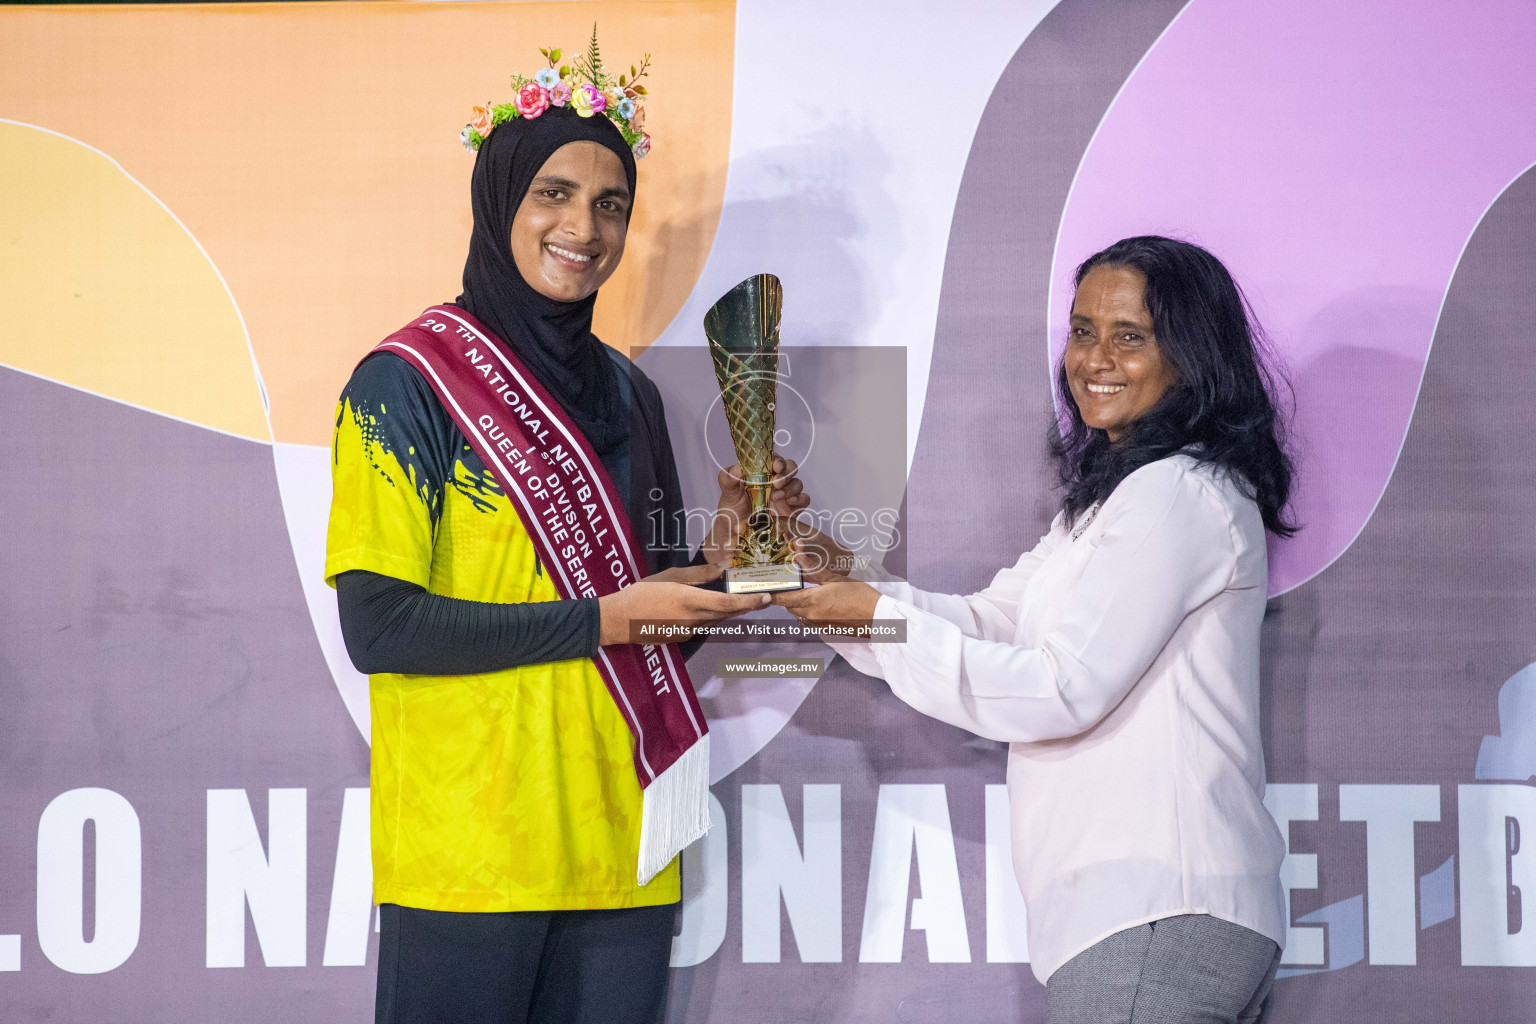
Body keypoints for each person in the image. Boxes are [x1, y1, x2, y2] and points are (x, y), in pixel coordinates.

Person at [324, 81, 806, 1023]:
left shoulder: (630, 394)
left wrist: (729, 554)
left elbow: (657, 630)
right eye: (553, 193)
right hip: (471, 857)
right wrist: (603, 619)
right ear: (500, 200)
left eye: (610, 203)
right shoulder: (407, 383)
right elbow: (378, 627)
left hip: (620, 850)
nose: (584, 226)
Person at [779, 236, 1296, 1023]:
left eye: (1131, 335)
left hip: (1155, 908)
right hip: (1143, 915)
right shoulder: (1114, 503)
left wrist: (874, 617)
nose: (1095, 357)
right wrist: (841, 580)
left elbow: (1060, 689)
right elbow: (991, 622)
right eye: (1083, 330)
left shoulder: (1176, 493)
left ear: (1192, 355)